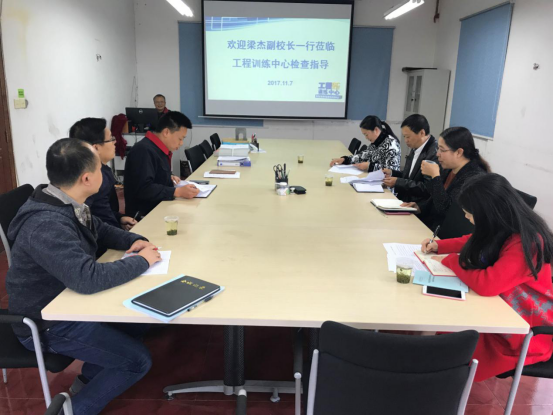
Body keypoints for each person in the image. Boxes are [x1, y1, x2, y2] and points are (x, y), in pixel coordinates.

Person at [6, 138, 162, 415]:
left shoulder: (63, 200)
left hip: (69, 304)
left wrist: (134, 240)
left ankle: (89, 378)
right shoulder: (46, 224)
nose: (106, 174)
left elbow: (100, 229)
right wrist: (142, 262)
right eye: (101, 168)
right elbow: (87, 279)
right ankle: (74, 411)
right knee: (137, 362)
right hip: (47, 323)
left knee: (138, 320)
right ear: (87, 178)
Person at [421, 174, 553, 382]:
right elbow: (475, 240)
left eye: (470, 213)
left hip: (526, 329)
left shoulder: (528, 243)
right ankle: (433, 372)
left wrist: (452, 261)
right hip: (501, 309)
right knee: (447, 330)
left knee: (455, 344)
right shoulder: (505, 225)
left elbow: (487, 284)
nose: (466, 217)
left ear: (488, 213)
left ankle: (440, 380)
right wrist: (439, 246)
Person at [403, 127, 491, 230]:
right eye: (438, 149)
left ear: (459, 152)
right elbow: (435, 197)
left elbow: (446, 211)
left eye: (442, 150)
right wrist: (419, 207)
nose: (437, 154)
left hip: (449, 231)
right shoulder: (450, 168)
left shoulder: (473, 177)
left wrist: (435, 176)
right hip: (433, 226)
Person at [124, 111, 199, 219]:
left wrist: (167, 177)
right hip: (145, 216)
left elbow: (152, 174)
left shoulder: (159, 149)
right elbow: (143, 188)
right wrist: (177, 191)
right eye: (180, 139)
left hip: (161, 206)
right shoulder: (143, 150)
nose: (181, 143)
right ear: (166, 132)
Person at [70, 117, 137, 231]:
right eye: (111, 139)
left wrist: (119, 218)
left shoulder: (102, 170)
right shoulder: (93, 178)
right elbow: (94, 222)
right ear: (96, 148)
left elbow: (100, 211)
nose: (115, 142)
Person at [383, 114, 438, 204]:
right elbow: (410, 176)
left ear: (422, 133)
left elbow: (427, 188)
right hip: (405, 200)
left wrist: (398, 182)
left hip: (418, 205)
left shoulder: (434, 153)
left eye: (408, 136)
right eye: (404, 136)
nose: (406, 140)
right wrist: (392, 173)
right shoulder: (416, 146)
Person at [330, 115, 401, 172]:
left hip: (385, 183)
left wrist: (370, 166)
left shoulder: (392, 144)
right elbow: (364, 156)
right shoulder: (376, 141)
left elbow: (391, 171)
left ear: (376, 130)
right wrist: (346, 159)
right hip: (372, 178)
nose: (366, 138)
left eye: (366, 134)